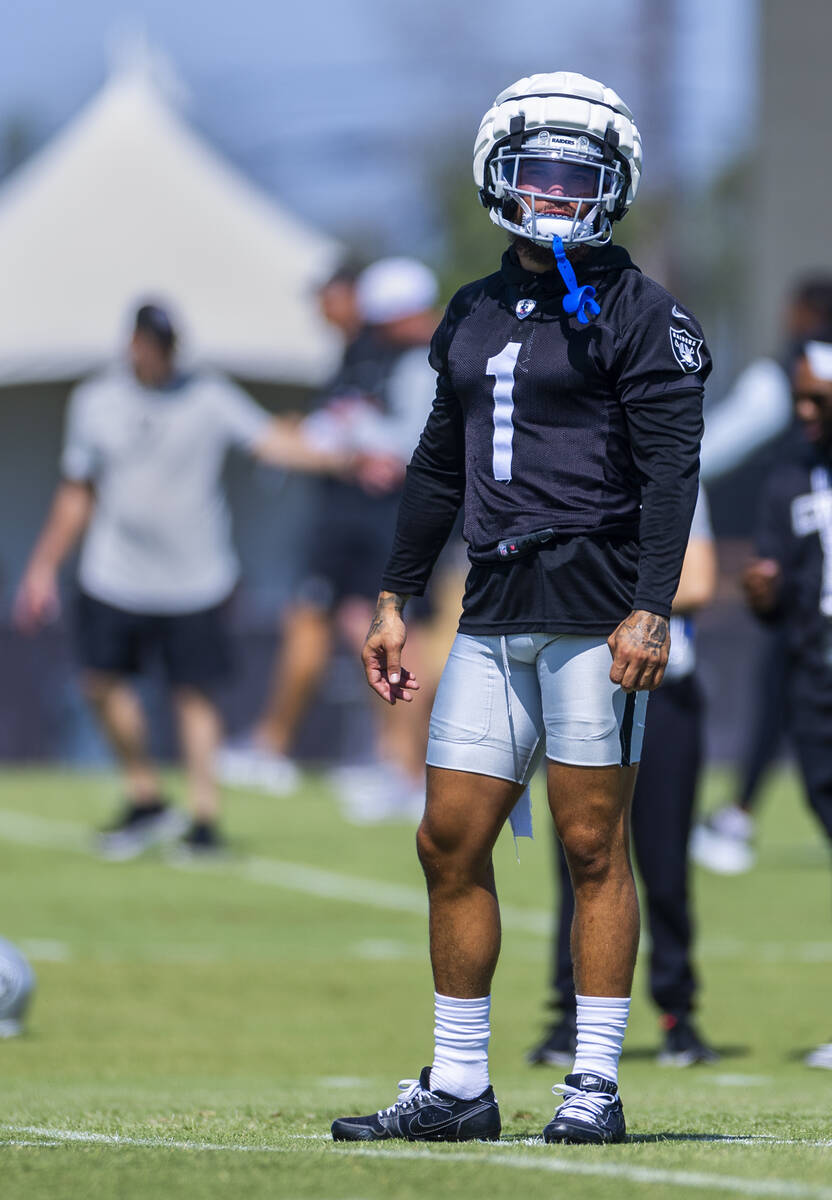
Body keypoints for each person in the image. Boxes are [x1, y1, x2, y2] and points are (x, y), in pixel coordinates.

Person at [332, 71, 710, 1146]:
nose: (553, 194)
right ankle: (459, 1085)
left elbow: (672, 471)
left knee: (593, 845)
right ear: (500, 173)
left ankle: (592, 1081)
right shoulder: (472, 308)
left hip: (596, 604)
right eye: (537, 172)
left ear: (613, 187)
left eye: (576, 177)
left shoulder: (644, 313)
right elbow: (436, 468)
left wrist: (649, 606)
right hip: (493, 602)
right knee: (448, 840)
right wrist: (397, 593)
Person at [14, 302, 355, 859]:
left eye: (168, 345)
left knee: (194, 694)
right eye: (152, 343)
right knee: (101, 682)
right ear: (132, 344)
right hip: (114, 573)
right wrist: (42, 567)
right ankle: (145, 795)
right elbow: (77, 490)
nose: (159, 355)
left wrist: (347, 458)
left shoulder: (208, 394)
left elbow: (273, 441)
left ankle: (203, 818)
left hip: (196, 577)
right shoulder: (96, 401)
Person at [219, 259, 442, 820]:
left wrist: (355, 446)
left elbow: (411, 446)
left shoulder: (419, 360)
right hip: (354, 521)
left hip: (386, 521)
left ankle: (408, 769)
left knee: (387, 635)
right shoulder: (365, 356)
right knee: (353, 629)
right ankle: (394, 764)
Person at [527, 489, 719, 1070]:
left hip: (664, 693)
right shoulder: (568, 470)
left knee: (664, 863)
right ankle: (569, 1016)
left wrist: (609, 589)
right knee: (584, 855)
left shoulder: (675, 472)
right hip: (585, 687)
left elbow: (701, 582)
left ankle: (677, 1015)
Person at [692, 277, 832, 875]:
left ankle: (739, 811)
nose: (804, 413)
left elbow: (700, 453)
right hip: (808, 623)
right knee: (790, 710)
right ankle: (741, 811)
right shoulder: (791, 475)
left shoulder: (783, 375)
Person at [742, 331, 832, 1070]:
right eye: (800, 397)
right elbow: (772, 591)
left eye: (819, 400)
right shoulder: (786, 477)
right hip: (815, 678)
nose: (805, 412)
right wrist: (762, 591)